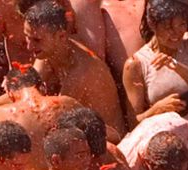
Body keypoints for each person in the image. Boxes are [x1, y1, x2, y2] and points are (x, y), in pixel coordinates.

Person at [122, 0, 188, 149]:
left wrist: (177, 67)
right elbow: (134, 123)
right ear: (152, 24)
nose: (177, 33)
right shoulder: (136, 65)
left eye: (182, 25)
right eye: (168, 27)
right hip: (176, 151)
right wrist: (157, 109)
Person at [27, 1, 125, 134]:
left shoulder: (81, 71)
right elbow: (26, 89)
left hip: (109, 141)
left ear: (61, 36)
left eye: (37, 40)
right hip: (76, 134)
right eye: (28, 38)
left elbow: (51, 117)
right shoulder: (50, 51)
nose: (29, 47)